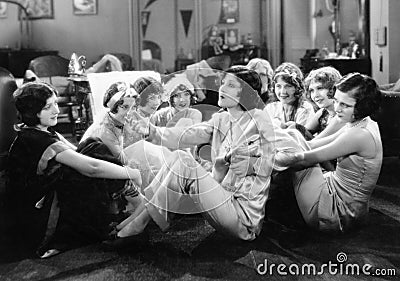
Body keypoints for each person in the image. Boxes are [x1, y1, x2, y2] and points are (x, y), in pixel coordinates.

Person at [104, 66, 285, 245]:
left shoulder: (260, 119)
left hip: (243, 219)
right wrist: (151, 130)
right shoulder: (222, 119)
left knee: (183, 162)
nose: (221, 88)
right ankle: (135, 222)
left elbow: (284, 155)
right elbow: (188, 134)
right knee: (180, 158)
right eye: (222, 83)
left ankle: (137, 225)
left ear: (245, 92)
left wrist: (254, 164)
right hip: (222, 200)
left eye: (230, 85)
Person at [5, 82, 142, 258]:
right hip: (38, 219)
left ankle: (129, 209)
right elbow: (91, 168)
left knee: (92, 145)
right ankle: (133, 209)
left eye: (55, 103)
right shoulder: (36, 140)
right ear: (33, 112)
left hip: (48, 200)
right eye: (48, 107)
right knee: (92, 157)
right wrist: (132, 173)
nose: (56, 110)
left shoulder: (43, 132)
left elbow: (83, 154)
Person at [275, 73, 382, 233]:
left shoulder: (360, 134)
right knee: (293, 137)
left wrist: (267, 154)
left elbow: (305, 160)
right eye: (336, 100)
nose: (337, 108)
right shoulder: (361, 122)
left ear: (362, 106)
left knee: (291, 154)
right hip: (350, 205)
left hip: (337, 214)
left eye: (345, 104)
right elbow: (311, 145)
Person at [265, 62, 315, 128]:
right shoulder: (271, 108)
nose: (283, 91)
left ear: (297, 88)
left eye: (288, 86)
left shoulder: (305, 109)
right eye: (278, 86)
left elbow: (298, 136)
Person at [299, 66, 343, 138]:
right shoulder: (323, 112)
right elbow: (304, 132)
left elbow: (316, 143)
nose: (315, 95)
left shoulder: (342, 115)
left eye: (320, 88)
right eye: (312, 90)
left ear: (334, 89)